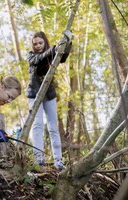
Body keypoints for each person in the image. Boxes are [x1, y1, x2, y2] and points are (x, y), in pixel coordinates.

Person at [26, 31, 72, 170]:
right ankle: (39, 158)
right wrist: (53, 49)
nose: (38, 46)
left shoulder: (51, 55)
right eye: (35, 44)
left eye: (41, 43)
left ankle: (58, 160)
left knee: (53, 127)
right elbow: (38, 60)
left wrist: (67, 43)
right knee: (38, 125)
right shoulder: (31, 56)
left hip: (49, 94)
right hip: (34, 94)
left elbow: (62, 57)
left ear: (44, 42)